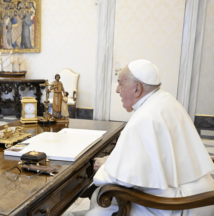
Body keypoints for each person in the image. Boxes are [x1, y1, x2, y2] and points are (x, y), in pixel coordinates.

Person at [87, 59, 214, 215]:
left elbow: (122, 179)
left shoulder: (146, 118)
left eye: (120, 84)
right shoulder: (164, 99)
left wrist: (105, 167)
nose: (117, 91)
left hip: (184, 204)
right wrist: (113, 161)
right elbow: (155, 156)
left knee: (99, 206)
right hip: (201, 191)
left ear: (137, 89)